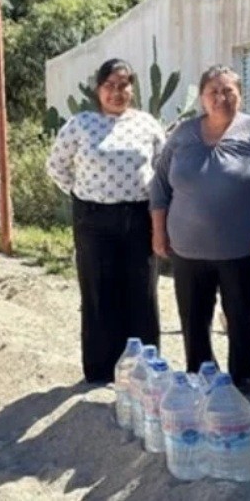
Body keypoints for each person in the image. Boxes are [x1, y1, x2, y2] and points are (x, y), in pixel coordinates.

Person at [150, 64, 250, 406]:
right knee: (194, 321)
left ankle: (244, 387)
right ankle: (200, 383)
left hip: (241, 249)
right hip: (187, 251)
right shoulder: (182, 134)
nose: (221, 97)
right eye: (213, 91)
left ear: (240, 94)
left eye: (228, 91)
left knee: (243, 319)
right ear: (201, 98)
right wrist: (158, 232)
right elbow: (159, 185)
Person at [46, 58, 166, 384]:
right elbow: (56, 166)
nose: (117, 92)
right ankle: (101, 371)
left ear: (132, 88)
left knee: (142, 293)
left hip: (140, 218)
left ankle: (145, 370)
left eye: (124, 84)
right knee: (99, 292)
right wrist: (83, 193)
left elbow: (163, 169)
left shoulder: (147, 124)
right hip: (94, 221)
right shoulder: (80, 124)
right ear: (98, 90)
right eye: (109, 85)